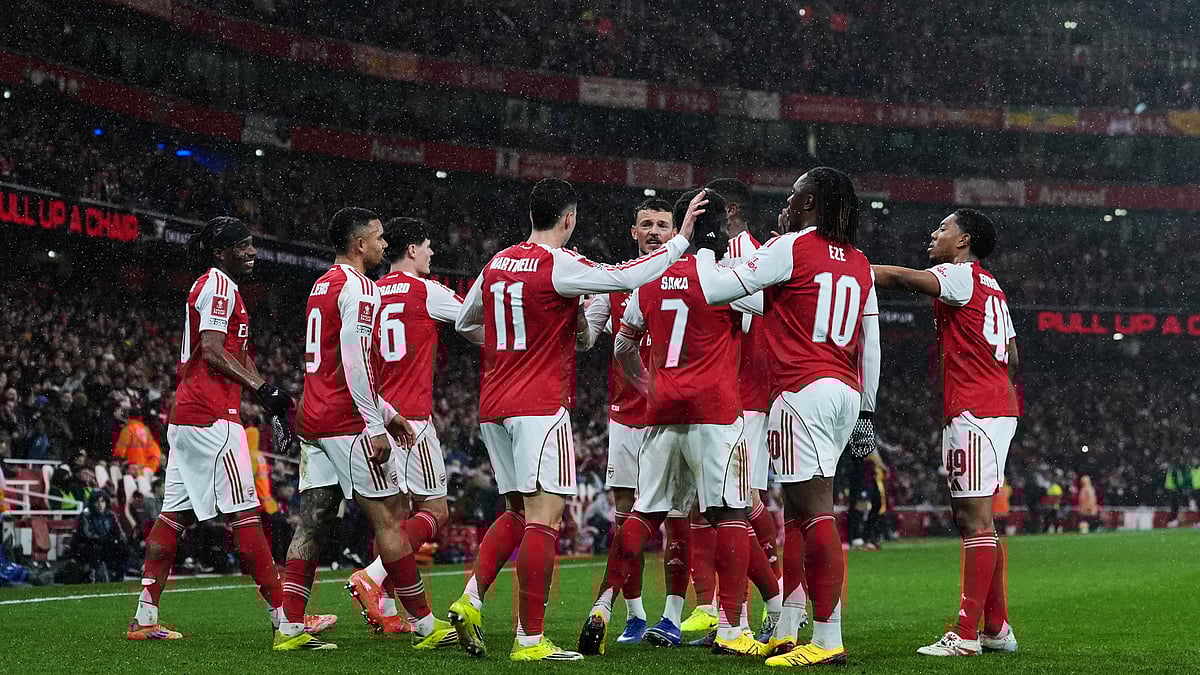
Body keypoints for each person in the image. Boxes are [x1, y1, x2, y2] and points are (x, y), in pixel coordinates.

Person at [446, 178, 698, 662]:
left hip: (493, 405)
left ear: (532, 215)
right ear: (569, 219)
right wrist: (680, 240)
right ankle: (530, 640)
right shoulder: (560, 263)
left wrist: (514, 346)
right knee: (545, 519)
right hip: (540, 405)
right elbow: (625, 278)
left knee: (516, 513)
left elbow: (464, 323)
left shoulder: (496, 262)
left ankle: (470, 599)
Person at [693, 167, 881, 667]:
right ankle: (790, 625)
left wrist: (706, 246)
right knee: (799, 514)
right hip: (843, 391)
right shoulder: (859, 261)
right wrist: (867, 410)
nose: (789, 202)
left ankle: (828, 639)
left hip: (801, 391)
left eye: (796, 196)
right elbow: (870, 344)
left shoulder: (792, 247)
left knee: (815, 513)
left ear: (811, 202)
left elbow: (715, 289)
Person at [577, 188, 768, 657]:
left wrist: (649, 385)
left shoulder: (647, 280)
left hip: (661, 411)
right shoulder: (726, 278)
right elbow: (765, 317)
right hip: (715, 411)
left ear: (679, 228)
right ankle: (732, 627)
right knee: (730, 514)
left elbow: (622, 346)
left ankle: (603, 604)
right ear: (718, 229)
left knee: (644, 513)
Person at [127, 217, 332, 644]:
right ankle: (286, 619)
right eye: (242, 246)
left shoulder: (219, 286)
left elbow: (233, 352)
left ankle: (144, 617)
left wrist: (265, 392)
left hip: (190, 415)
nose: (252, 252)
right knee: (245, 516)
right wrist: (260, 388)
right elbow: (213, 350)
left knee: (172, 515)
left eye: (252, 244)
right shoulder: (219, 287)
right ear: (220, 252)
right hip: (212, 417)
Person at [282, 207, 457, 651]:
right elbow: (357, 362)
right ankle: (425, 625)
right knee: (391, 519)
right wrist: (375, 422)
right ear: (360, 244)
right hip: (346, 421)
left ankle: (289, 626)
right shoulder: (360, 288)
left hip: (313, 418)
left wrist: (388, 410)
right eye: (378, 238)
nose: (384, 244)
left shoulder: (322, 284)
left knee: (312, 522)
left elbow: (332, 363)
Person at [872, 207, 1021, 656]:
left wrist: (848, 266)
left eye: (943, 228)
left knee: (974, 521)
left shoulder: (959, 275)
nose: (934, 234)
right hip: (994, 405)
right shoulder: (992, 286)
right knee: (978, 520)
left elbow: (899, 278)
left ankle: (966, 635)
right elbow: (1012, 357)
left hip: (975, 409)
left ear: (963, 241)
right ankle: (996, 628)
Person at [345, 216, 484, 634]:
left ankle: (386, 607)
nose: (432, 253)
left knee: (392, 517)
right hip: (410, 421)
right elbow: (473, 322)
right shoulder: (426, 290)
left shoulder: (368, 291)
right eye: (427, 246)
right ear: (411, 250)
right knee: (436, 511)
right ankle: (372, 575)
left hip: (373, 415)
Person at [577, 196, 677, 645]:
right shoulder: (613, 283)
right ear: (633, 232)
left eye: (662, 224)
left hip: (674, 415)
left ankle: (673, 615)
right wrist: (574, 309)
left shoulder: (692, 278)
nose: (654, 231)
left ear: (675, 232)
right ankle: (635, 615)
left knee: (678, 517)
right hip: (627, 415)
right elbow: (585, 339)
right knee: (625, 518)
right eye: (647, 224)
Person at [70, 491, 128, 582]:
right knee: (96, 548)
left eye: (102, 501)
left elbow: (119, 532)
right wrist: (105, 539)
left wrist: (116, 540)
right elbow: (88, 534)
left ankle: (119, 575)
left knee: (123, 548)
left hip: (106, 543)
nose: (100, 505)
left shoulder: (110, 515)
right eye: (96, 502)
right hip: (86, 545)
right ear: (92, 503)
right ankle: (95, 575)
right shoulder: (86, 515)